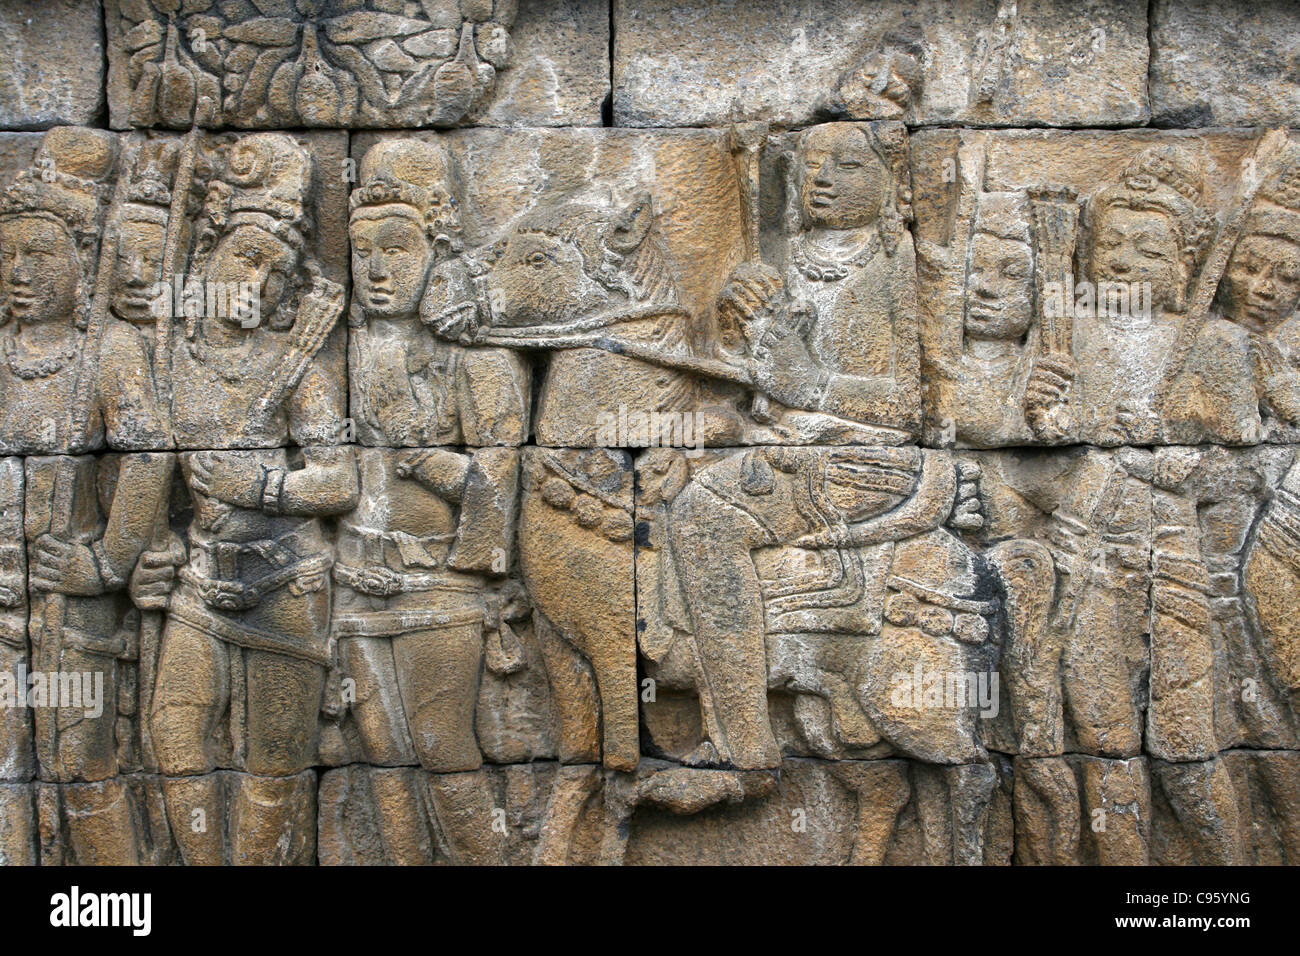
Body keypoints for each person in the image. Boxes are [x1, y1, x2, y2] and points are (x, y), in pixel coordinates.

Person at [149, 133, 358, 865]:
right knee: (174, 737)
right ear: (205, 255)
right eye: (244, 256)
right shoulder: (166, 361)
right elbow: (144, 485)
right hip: (200, 581)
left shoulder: (297, 365)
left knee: (274, 764)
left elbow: (341, 481)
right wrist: (149, 549)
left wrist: (263, 485)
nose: (256, 280)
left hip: (284, 581)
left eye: (275, 271)